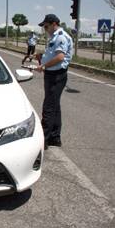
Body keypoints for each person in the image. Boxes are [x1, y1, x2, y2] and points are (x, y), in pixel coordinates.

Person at [34, 14, 73, 150]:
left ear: (53, 24)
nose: (45, 29)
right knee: (54, 105)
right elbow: (53, 54)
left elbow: (60, 57)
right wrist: (42, 57)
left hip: (56, 75)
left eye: (46, 26)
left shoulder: (60, 36)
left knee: (49, 107)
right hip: (54, 74)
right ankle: (55, 137)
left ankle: (42, 140)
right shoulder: (55, 36)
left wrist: (43, 66)